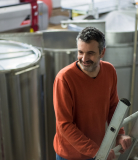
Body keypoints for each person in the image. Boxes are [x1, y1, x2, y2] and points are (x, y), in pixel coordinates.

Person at [53, 27, 132, 160]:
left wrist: (119, 134)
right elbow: (64, 125)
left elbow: (113, 107)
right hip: (71, 155)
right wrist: (97, 152)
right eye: (80, 52)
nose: (84, 58)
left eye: (90, 53)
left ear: (102, 52)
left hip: (98, 150)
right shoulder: (64, 78)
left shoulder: (109, 71)